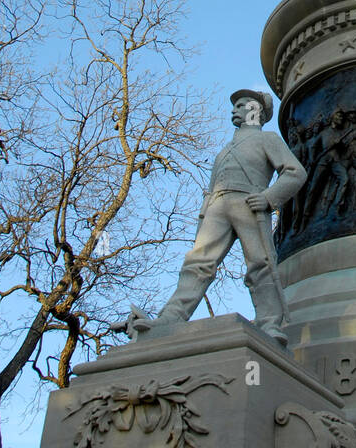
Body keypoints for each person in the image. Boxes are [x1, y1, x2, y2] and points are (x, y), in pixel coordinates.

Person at [119, 89, 306, 346]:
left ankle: (270, 323)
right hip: (217, 206)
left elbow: (295, 173)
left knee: (260, 263)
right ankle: (171, 318)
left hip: (248, 202)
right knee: (197, 263)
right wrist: (204, 216)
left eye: (241, 105)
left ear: (256, 111)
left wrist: (268, 198)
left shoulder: (268, 139)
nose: (234, 110)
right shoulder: (226, 149)